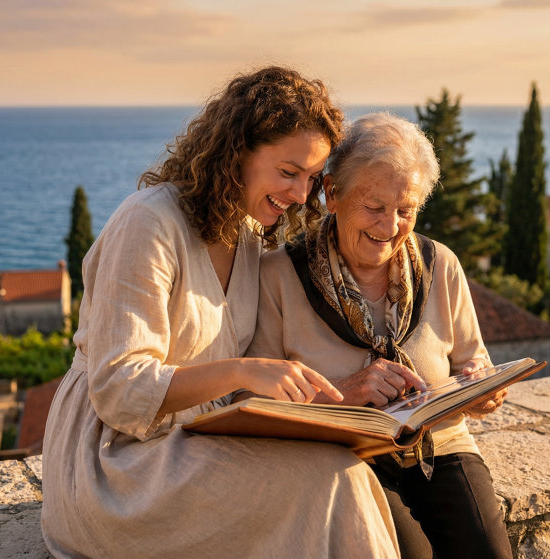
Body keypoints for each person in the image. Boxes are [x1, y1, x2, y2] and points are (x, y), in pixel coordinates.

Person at [40, 68, 400, 559]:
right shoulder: (148, 222)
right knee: (327, 484)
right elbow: (119, 390)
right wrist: (241, 370)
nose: (300, 195)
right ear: (236, 154)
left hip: (196, 440)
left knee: (342, 469)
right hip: (115, 463)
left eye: (312, 178)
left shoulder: (246, 234)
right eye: (288, 172)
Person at [245, 112, 512, 559]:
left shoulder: (440, 263)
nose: (390, 228)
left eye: (405, 211)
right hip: (348, 460)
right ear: (332, 193)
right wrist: (342, 395)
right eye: (374, 207)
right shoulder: (277, 275)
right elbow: (255, 408)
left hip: (441, 448)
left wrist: (481, 386)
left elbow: (473, 359)